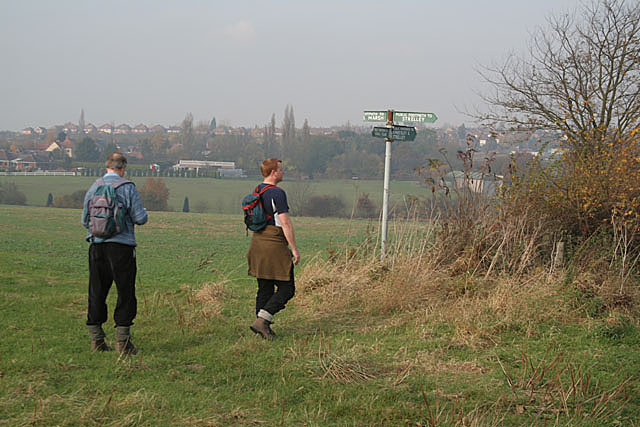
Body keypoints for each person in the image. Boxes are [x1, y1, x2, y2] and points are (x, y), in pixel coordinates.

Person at [81, 152, 148, 354]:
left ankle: (96, 339)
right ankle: (123, 342)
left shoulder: (94, 187)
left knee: (97, 291)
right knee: (125, 292)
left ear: (107, 166)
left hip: (97, 246)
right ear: (123, 168)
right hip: (122, 247)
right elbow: (140, 218)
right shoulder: (127, 187)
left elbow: (85, 220)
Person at [247, 158, 300, 339]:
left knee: (265, 286)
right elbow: (285, 223)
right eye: (280, 169)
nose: (282, 172)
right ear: (273, 172)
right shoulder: (277, 193)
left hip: (257, 242)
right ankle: (262, 321)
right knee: (287, 288)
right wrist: (294, 248)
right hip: (274, 242)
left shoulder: (258, 190)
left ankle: (261, 328)